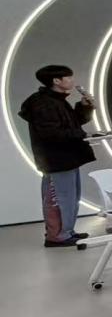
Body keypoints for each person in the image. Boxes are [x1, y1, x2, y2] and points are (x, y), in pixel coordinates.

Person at [18, 65, 96, 247]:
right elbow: (51, 133)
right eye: (69, 77)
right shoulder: (43, 103)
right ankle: (56, 236)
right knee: (59, 198)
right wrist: (84, 135)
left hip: (67, 157)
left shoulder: (57, 101)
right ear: (56, 81)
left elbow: (74, 122)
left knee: (70, 198)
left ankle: (66, 231)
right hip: (55, 159)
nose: (72, 81)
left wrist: (84, 107)